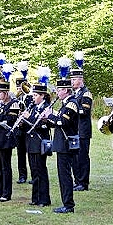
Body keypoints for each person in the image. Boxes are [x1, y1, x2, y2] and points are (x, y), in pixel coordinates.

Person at [43, 59, 79, 214]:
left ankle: (68, 204)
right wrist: (47, 119)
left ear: (65, 90)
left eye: (59, 90)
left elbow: (62, 122)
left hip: (66, 144)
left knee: (65, 175)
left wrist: (50, 116)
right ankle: (67, 202)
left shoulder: (71, 104)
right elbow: (57, 122)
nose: (57, 92)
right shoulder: (64, 105)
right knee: (62, 174)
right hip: (62, 143)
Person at [21, 73, 51, 207]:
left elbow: (40, 124)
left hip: (40, 142)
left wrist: (27, 118)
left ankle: (44, 199)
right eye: (33, 95)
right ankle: (35, 198)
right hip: (31, 143)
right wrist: (21, 122)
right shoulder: (32, 107)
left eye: (35, 95)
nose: (33, 98)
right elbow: (29, 125)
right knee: (34, 171)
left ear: (42, 96)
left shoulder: (46, 108)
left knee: (41, 170)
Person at [70, 62, 93, 191]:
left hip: (82, 130)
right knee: (74, 157)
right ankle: (77, 180)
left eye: (74, 79)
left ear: (81, 80)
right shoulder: (75, 94)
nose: (72, 82)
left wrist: (72, 109)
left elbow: (84, 111)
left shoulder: (86, 94)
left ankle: (83, 182)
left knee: (82, 157)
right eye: (72, 79)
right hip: (74, 129)